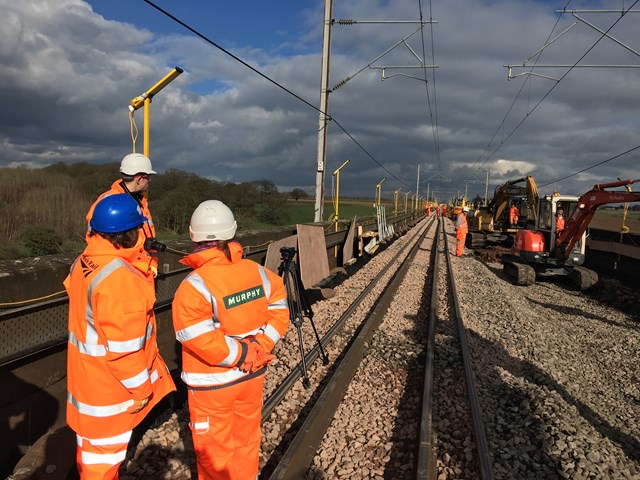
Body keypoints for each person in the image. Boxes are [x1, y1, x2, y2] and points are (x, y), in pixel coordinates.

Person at [172, 200, 290, 480]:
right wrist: (260, 347)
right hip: (252, 377)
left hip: (213, 385)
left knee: (216, 456)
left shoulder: (194, 286)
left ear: (193, 236)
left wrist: (241, 353)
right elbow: (279, 309)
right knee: (246, 443)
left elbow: (198, 337)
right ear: (233, 234)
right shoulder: (258, 272)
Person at [65, 193, 176, 480]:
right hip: (109, 394)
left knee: (89, 456)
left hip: (88, 383)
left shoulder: (85, 261)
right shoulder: (121, 280)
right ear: (130, 233)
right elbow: (124, 350)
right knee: (102, 466)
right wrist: (141, 391)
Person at [85, 153, 159, 283]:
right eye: (148, 177)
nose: (150, 181)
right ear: (138, 178)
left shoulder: (140, 201)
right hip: (121, 275)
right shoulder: (107, 203)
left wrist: (150, 261)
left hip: (141, 271)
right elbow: (96, 241)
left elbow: (146, 235)